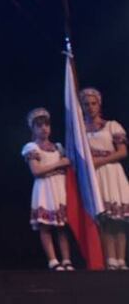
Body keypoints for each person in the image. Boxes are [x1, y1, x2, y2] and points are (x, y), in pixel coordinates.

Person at [80, 87, 129, 270]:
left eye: (93, 104)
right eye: (86, 104)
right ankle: (110, 258)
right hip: (95, 176)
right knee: (105, 218)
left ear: (99, 104)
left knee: (119, 218)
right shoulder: (80, 131)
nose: (90, 107)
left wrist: (100, 161)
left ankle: (121, 259)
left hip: (112, 171)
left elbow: (123, 152)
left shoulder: (111, 126)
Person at [22, 108, 74, 271]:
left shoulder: (58, 147)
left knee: (61, 226)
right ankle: (53, 260)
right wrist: (59, 163)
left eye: (46, 125)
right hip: (44, 187)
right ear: (33, 128)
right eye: (39, 126)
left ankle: (66, 259)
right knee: (45, 225)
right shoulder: (31, 147)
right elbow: (36, 170)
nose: (44, 128)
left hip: (59, 187)